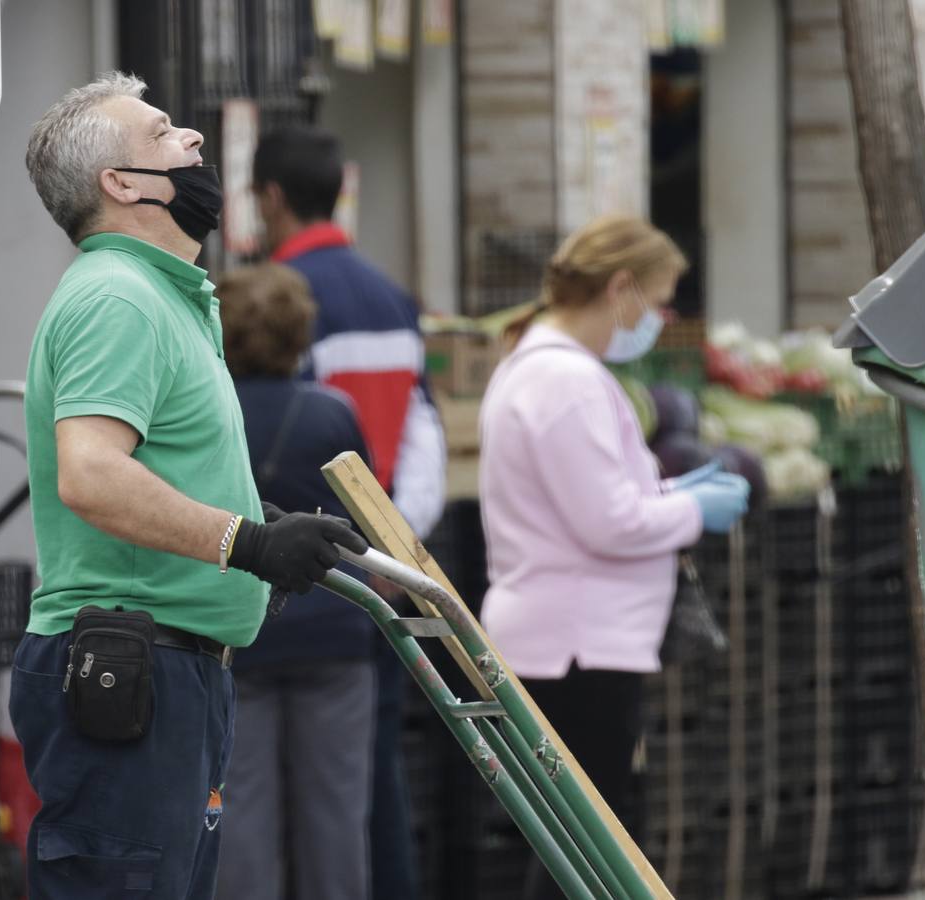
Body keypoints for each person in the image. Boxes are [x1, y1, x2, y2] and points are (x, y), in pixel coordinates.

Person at [14, 73, 367, 900]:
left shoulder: (161, 295)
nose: (195, 142)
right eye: (165, 132)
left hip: (167, 669)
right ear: (122, 184)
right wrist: (244, 542)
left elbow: (150, 466)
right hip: (134, 668)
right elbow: (91, 473)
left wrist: (254, 525)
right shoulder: (120, 298)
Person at [476, 215, 750, 900]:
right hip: (577, 643)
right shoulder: (565, 380)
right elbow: (608, 521)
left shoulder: (543, 369)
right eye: (656, 301)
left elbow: (595, 500)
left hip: (568, 635)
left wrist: (666, 491)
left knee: (574, 844)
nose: (657, 318)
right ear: (619, 288)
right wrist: (691, 509)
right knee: (587, 850)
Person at [253, 125, 446, 900]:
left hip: (305, 576)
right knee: (365, 794)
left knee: (275, 809)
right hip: (384, 575)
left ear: (269, 197)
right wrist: (399, 551)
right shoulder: (392, 297)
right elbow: (424, 431)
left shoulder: (280, 301)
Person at [213, 263, 377, 900]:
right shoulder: (333, 412)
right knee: (336, 815)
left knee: (242, 814)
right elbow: (371, 518)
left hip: (242, 631)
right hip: (335, 633)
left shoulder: (211, 411)